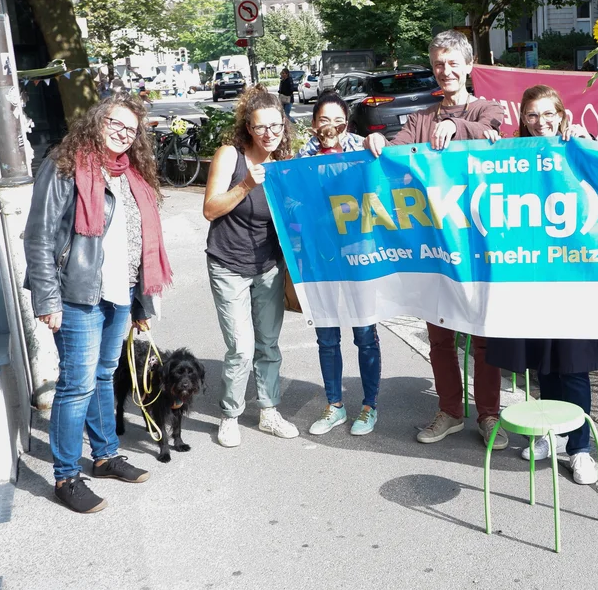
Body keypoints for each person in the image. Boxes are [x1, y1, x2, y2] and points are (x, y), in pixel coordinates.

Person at [24, 93, 172, 513]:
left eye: (131, 129)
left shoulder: (131, 174)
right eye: (115, 124)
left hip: (120, 294)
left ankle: (105, 456)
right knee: (77, 385)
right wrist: (47, 299)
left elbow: (138, 243)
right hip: (76, 296)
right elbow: (38, 237)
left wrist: (140, 304)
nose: (123, 134)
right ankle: (66, 476)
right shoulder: (65, 166)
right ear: (97, 121)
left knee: (105, 376)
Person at [364, 30, 507, 449]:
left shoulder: (487, 108)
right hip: (434, 246)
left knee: (484, 338)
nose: (445, 71)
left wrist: (456, 125)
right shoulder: (418, 119)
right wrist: (376, 142)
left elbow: (489, 132)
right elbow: (395, 152)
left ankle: (489, 415)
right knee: (440, 337)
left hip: (478, 245)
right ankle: (449, 410)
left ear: (468, 66)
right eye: (439, 64)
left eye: (452, 64)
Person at [484, 84, 598, 484]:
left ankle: (581, 448)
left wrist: (584, 141)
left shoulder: (579, 143)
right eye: (532, 116)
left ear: (561, 113)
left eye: (547, 114)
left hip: (572, 275)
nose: (540, 123)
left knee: (573, 365)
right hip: (530, 276)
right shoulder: (512, 153)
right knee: (543, 363)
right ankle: (552, 432)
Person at [203, 85, 299, 447]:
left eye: (276, 126)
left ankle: (269, 411)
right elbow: (210, 209)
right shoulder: (231, 156)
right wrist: (245, 185)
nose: (269, 134)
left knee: (269, 344)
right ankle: (230, 415)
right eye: (261, 127)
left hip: (268, 266)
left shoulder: (284, 164)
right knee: (241, 347)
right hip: (228, 264)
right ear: (248, 128)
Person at [296, 92, 383, 436]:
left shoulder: (362, 147)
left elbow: (385, 169)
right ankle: (335, 405)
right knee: (327, 336)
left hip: (359, 253)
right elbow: (291, 199)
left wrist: (380, 141)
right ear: (314, 122)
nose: (330, 127)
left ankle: (368, 406)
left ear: (347, 122)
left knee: (365, 333)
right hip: (320, 255)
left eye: (338, 120)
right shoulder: (302, 156)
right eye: (323, 120)